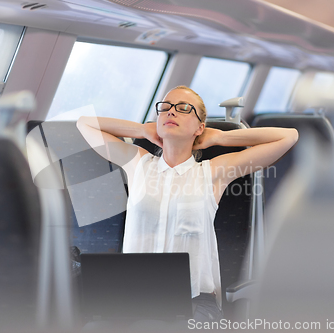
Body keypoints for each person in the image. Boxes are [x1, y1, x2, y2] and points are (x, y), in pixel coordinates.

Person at [76, 85, 299, 324]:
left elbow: (289, 136)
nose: (171, 112)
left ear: (200, 127)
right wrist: (142, 130)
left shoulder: (213, 172)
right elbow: (84, 124)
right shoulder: (138, 163)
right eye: (166, 107)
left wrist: (222, 137)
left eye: (183, 108)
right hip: (134, 297)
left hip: (193, 302)